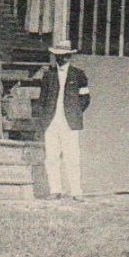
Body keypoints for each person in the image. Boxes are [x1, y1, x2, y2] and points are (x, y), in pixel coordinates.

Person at [35, 41, 90, 198]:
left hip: (70, 122)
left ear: (70, 56)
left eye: (64, 56)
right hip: (51, 121)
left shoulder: (79, 75)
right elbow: (42, 99)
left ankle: (76, 191)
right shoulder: (48, 75)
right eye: (58, 56)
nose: (61, 59)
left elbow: (85, 98)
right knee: (51, 157)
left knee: (72, 157)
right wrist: (44, 117)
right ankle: (55, 191)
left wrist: (75, 112)